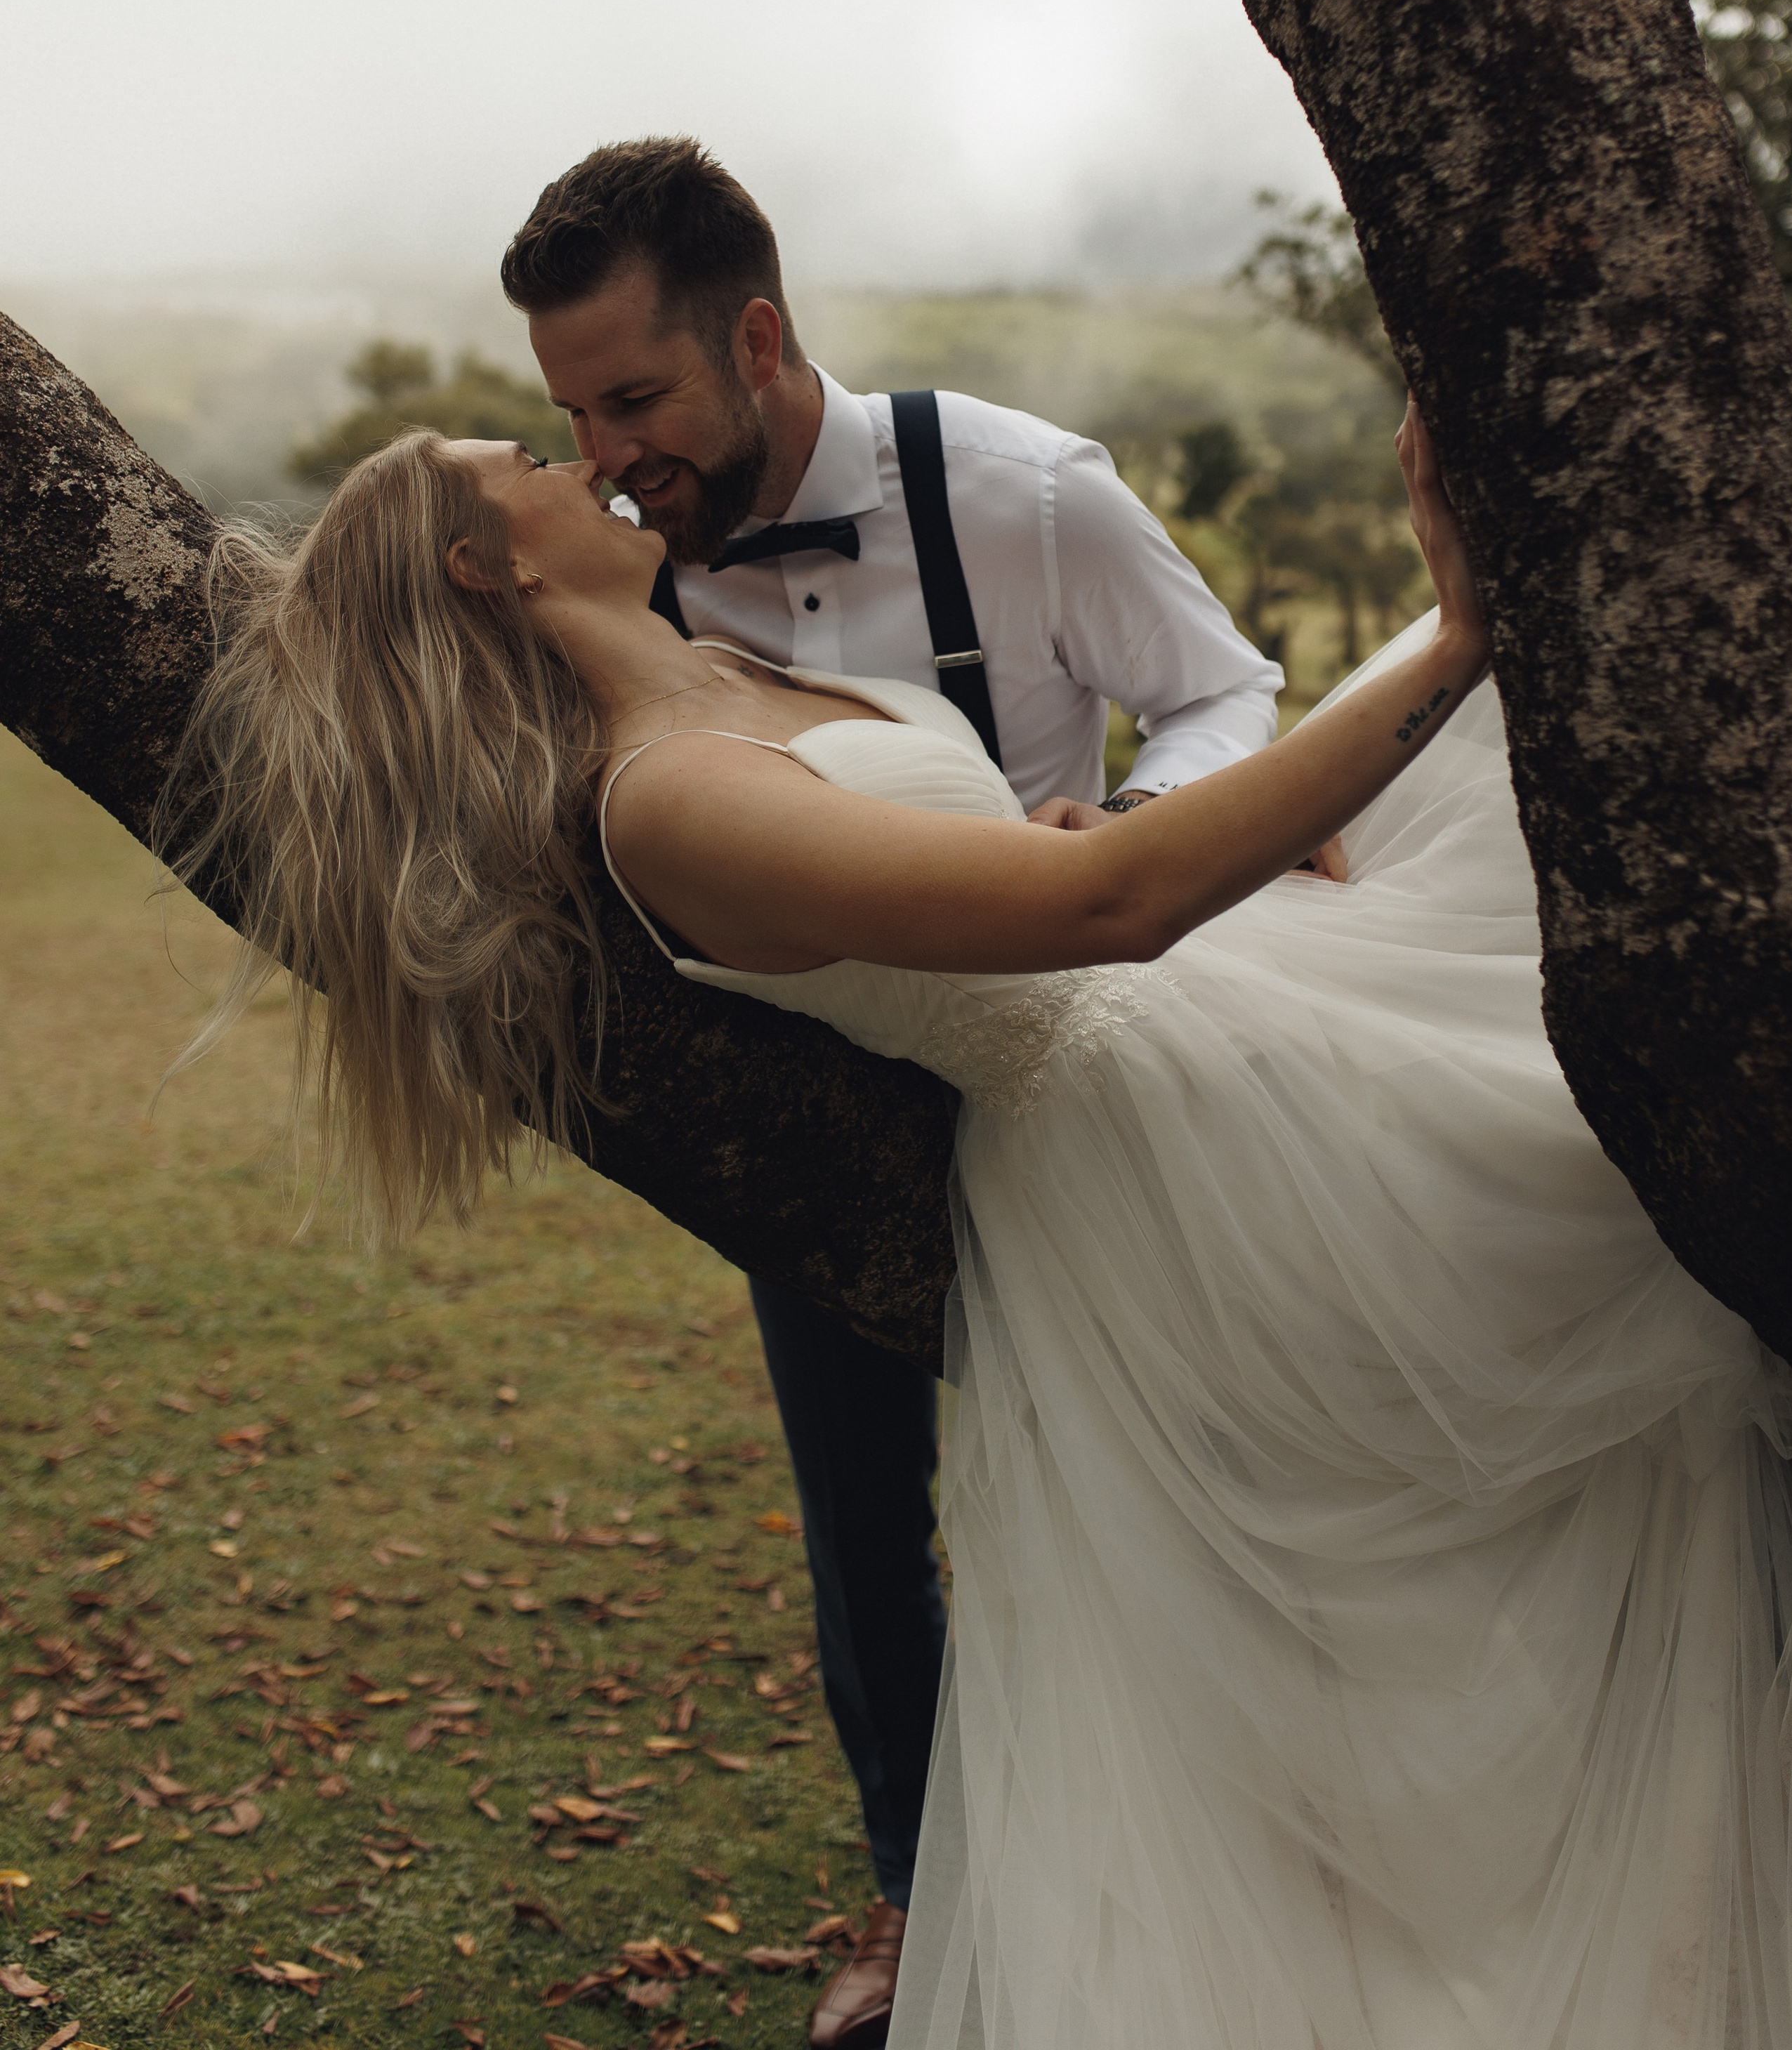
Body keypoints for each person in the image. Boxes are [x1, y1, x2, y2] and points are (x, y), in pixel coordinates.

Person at [166, 409, 1792, 2050]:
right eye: (517, 456)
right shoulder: (656, 799)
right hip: (1162, 1124)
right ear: (488, 559)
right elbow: (1114, 916)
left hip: (1202, 1002)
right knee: (1587, 1191)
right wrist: (1454, 633)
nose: (565, 455)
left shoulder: (717, 680)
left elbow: (1024, 878)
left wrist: (1076, 832)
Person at [495, 135, 1285, 2044]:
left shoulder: (1020, 492)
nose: (608, 453)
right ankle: (922, 1898)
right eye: (573, 416)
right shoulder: (619, 572)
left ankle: (1220, 1849)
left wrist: (1156, 811)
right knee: (866, 1528)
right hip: (824, 1120)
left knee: (1154, 1493)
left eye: (635, 396)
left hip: (1084, 1091)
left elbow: (1223, 688)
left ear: (756, 339)